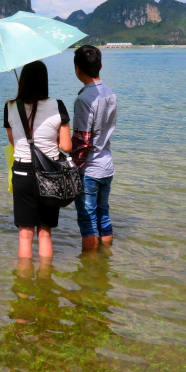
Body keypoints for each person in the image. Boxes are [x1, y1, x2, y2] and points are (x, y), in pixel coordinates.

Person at [4, 61, 72, 259]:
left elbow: (14, 143)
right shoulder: (57, 105)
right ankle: (45, 284)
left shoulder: (10, 107)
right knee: (45, 233)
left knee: (25, 235)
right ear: (45, 81)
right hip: (50, 173)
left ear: (22, 81)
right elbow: (66, 147)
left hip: (22, 173)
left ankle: (23, 287)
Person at [70, 45, 118, 251]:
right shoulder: (110, 93)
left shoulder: (83, 99)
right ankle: (105, 260)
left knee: (87, 222)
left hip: (89, 169)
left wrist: (72, 166)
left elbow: (83, 141)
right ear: (100, 66)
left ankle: (90, 271)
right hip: (107, 165)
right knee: (103, 215)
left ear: (77, 69)